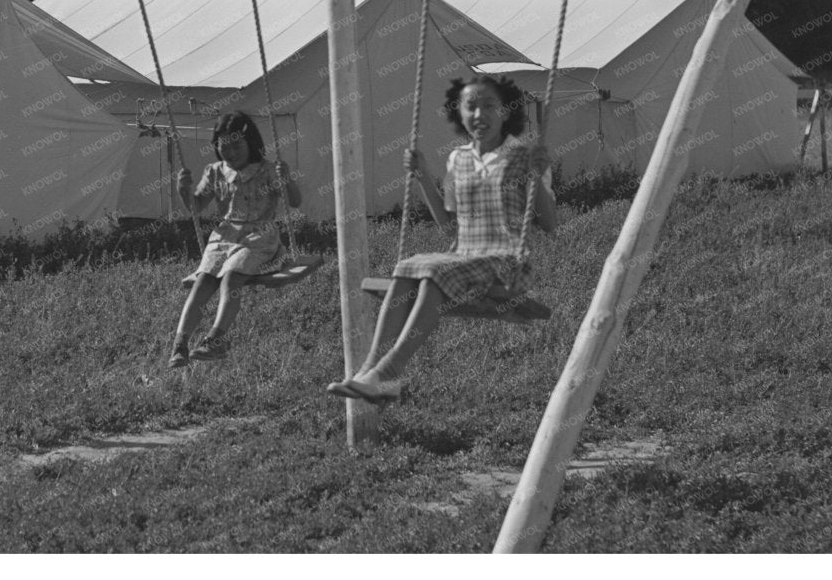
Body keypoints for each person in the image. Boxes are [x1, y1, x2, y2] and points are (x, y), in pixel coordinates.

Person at [327, 73, 556, 403]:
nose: (479, 115)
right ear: (459, 114)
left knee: (435, 273)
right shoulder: (458, 159)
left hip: (506, 261)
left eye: (489, 105)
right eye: (470, 107)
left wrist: (536, 174)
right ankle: (370, 371)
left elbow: (549, 223)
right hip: (465, 255)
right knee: (407, 266)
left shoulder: (523, 155)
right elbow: (449, 227)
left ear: (506, 111)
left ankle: (390, 372)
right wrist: (422, 177)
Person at [167, 112, 302, 368]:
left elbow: (295, 201)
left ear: (251, 142)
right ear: (216, 147)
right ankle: (180, 344)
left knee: (231, 276)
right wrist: (183, 190)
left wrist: (287, 179)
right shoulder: (215, 172)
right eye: (224, 146)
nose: (230, 152)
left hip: (258, 237)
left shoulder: (267, 170)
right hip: (224, 236)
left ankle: (216, 338)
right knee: (204, 280)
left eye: (236, 145)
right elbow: (195, 207)